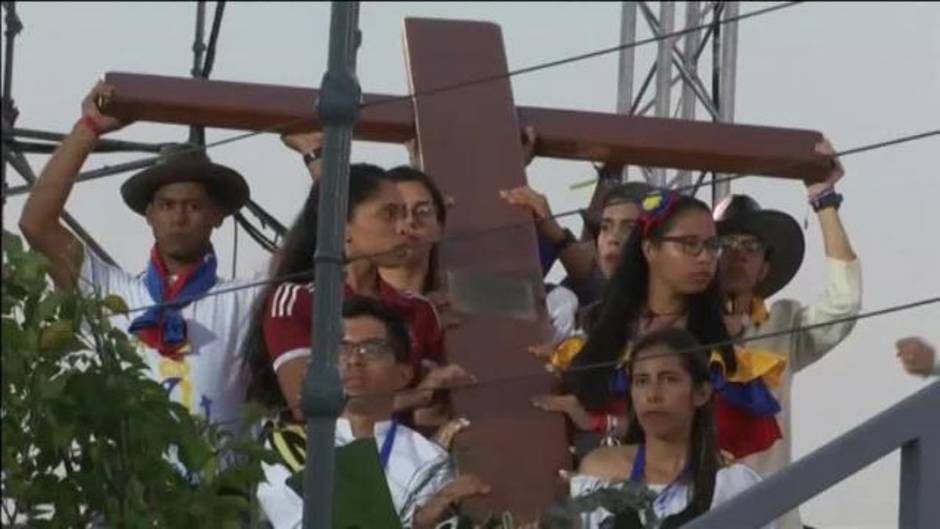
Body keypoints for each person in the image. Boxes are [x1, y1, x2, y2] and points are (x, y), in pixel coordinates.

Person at [19, 81, 258, 429]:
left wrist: (319, 154)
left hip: (222, 484)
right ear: (149, 214)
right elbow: (37, 224)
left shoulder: (245, 299)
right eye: (166, 205)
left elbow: (324, 261)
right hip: (124, 485)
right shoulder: (108, 291)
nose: (179, 217)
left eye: (193, 205)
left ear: (216, 215)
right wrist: (88, 129)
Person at [556, 190, 785, 460]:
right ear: (650, 248)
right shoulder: (600, 329)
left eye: (712, 246)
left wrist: (602, 423)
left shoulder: (718, 354)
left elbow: (701, 437)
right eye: (689, 244)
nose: (705, 258)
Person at [240, 163, 470, 424]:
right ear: (342, 227)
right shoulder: (298, 300)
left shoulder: (420, 310)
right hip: (319, 461)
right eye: (389, 215)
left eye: (405, 214)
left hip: (401, 459)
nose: (405, 227)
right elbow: (308, 406)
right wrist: (414, 397)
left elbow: (425, 420)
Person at [714, 139, 862, 529]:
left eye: (751, 245)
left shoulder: (782, 321)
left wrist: (823, 199)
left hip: (772, 518)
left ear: (764, 268)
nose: (738, 253)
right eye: (725, 243)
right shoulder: (672, 324)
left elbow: (844, 304)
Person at [257, 296, 489, 529]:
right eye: (341, 349)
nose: (355, 360)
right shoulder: (288, 445)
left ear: (404, 375)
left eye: (372, 349)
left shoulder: (429, 461)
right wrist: (416, 523)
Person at [569, 327, 775, 529]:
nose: (652, 394)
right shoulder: (599, 472)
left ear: (701, 393)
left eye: (669, 379)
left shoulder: (734, 486)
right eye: (641, 381)